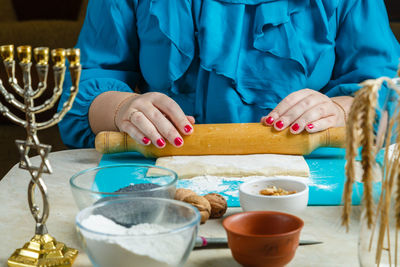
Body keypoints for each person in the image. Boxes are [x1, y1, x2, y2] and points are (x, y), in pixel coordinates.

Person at [58, 0, 400, 149]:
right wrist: (122, 109)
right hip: (159, 181)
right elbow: (82, 84)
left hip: (314, 187)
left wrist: (340, 110)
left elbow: (388, 93)